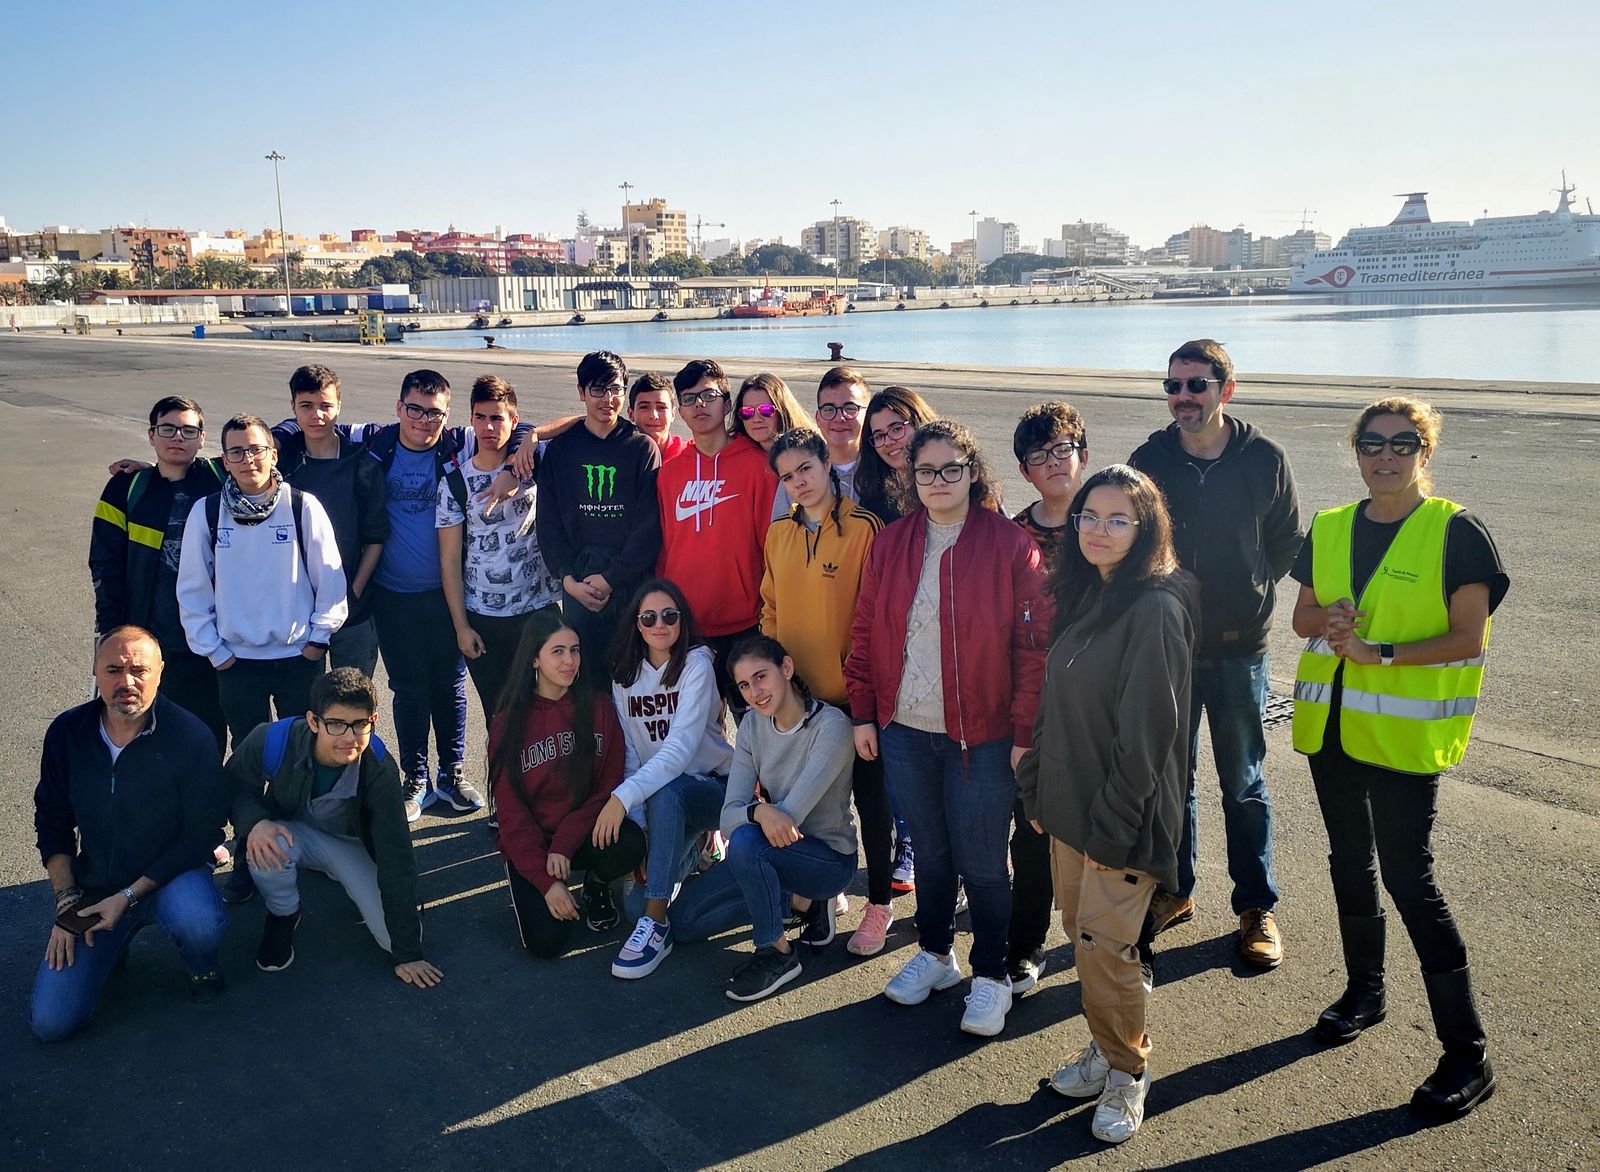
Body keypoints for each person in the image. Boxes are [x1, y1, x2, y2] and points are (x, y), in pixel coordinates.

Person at [1291, 397, 1506, 1119]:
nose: (1385, 455)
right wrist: (1330, 622)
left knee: (1412, 882)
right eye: (1372, 443)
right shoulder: (1327, 526)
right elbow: (1301, 620)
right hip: (1333, 734)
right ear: (1356, 451)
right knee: (1348, 863)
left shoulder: (1456, 532)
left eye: (1402, 443)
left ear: (1426, 451)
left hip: (1404, 741)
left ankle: (1467, 1054)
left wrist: (1379, 651)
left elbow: (1468, 637)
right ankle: (1366, 992)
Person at [846, 420, 1049, 1038]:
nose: (938, 481)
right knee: (932, 855)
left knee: (984, 861)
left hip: (983, 736)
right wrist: (864, 711)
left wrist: (1023, 733)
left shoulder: (1012, 545)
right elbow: (864, 630)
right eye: (926, 470)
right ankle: (936, 954)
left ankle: (990, 974)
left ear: (972, 472)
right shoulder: (891, 543)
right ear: (910, 477)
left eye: (951, 469)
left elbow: (1033, 648)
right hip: (904, 728)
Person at [1016, 465, 1198, 1145]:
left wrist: (1113, 829)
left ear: (1146, 527)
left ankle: (1127, 1070)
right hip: (1066, 808)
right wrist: (1035, 787)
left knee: (1109, 949)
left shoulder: (1154, 607)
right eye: (1090, 515)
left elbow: (1150, 734)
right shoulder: (1088, 593)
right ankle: (1106, 1044)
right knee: (1082, 938)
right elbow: (1053, 702)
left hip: (1117, 822)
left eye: (1119, 519)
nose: (1099, 529)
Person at [1129, 339, 1300, 971]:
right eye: (1172, 386)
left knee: (1244, 782)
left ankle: (1256, 907)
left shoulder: (1264, 458)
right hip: (1171, 648)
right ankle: (1176, 889)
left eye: (1196, 385)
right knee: (1174, 781)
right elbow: (1132, 536)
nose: (1182, 398)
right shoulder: (1151, 458)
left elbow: (1285, 541)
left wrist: (1251, 592)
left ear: (1226, 388)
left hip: (1238, 650)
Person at [30, 627, 231, 1041]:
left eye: (139, 669)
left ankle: (201, 963)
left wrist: (128, 897)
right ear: (95, 672)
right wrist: (68, 904)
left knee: (199, 923)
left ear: (161, 671)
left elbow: (203, 833)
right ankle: (112, 939)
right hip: (97, 884)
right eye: (114, 669)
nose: (127, 682)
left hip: (173, 875)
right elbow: (52, 820)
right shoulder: (67, 733)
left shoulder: (190, 737)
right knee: (50, 1024)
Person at [760, 428, 895, 957]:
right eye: (787, 477)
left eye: (806, 470)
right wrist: (776, 684)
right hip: (799, 704)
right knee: (811, 808)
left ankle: (879, 903)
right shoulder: (779, 534)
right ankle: (820, 897)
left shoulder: (866, 529)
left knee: (872, 803)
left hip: (853, 698)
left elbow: (879, 618)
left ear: (826, 466)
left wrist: (863, 693)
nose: (799, 483)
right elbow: (769, 607)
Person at [228, 668, 442, 987]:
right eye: (336, 724)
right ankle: (284, 913)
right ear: (314, 721)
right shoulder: (272, 739)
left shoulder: (380, 770)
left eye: (359, 724)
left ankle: (336, 872)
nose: (348, 737)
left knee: (395, 939)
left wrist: (408, 953)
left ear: (374, 721)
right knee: (264, 849)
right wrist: (255, 823)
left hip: (347, 842)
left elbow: (397, 857)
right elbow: (233, 787)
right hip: (290, 831)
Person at [176, 413, 348, 750]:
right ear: (225, 461)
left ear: (274, 454)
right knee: (248, 752)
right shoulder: (207, 512)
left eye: (256, 449)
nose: (248, 459)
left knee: (302, 750)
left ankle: (296, 805)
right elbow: (192, 589)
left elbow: (330, 580)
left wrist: (317, 642)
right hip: (235, 662)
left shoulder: (302, 506)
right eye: (236, 452)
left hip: (299, 658)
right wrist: (215, 652)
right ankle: (251, 805)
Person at [489, 609, 645, 959]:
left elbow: (607, 788)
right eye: (557, 651)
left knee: (632, 841)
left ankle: (596, 885)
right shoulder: (507, 723)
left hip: (580, 835)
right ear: (534, 659)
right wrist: (547, 883)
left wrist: (564, 843)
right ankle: (531, 882)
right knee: (547, 945)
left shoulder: (600, 707)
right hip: (534, 843)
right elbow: (511, 815)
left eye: (574, 650)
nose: (569, 661)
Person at [439, 374, 560, 814]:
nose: (490, 427)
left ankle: (547, 801)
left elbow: (577, 422)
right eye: (481, 418)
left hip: (540, 613)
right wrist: (461, 627)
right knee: (501, 718)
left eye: (499, 418)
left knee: (546, 714)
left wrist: (532, 439)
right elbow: (450, 560)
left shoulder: (534, 462)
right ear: (470, 420)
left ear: (514, 420)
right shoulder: (454, 481)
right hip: (485, 619)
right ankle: (507, 806)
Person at [716, 635, 859, 1002]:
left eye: (761, 677)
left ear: (787, 669)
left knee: (747, 845)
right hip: (771, 851)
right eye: (744, 685)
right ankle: (803, 904)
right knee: (687, 922)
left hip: (826, 860)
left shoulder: (832, 727)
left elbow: (788, 820)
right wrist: (758, 810)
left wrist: (756, 817)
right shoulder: (751, 726)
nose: (754, 692)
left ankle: (777, 953)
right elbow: (728, 816)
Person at [602, 580, 733, 979]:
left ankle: (657, 925)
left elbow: (679, 750)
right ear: (637, 625)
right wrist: (642, 834)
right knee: (631, 906)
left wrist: (621, 800)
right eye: (649, 618)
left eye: (670, 616)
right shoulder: (624, 677)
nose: (660, 625)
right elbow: (633, 757)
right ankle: (701, 847)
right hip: (663, 800)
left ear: (682, 620)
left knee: (670, 787)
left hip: (716, 790)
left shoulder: (697, 664)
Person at [1005, 401, 1092, 993]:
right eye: (1041, 455)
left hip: (1097, 704)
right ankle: (1025, 945)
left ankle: (1118, 947)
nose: (1055, 462)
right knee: (1031, 829)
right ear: (1025, 470)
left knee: (1105, 834)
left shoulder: (1109, 519)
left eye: (1064, 450)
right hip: (1032, 705)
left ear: (1082, 455)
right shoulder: (1013, 535)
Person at [90, 396, 228, 750]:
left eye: (188, 430)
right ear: (152, 436)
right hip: (149, 638)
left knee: (208, 731)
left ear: (202, 437)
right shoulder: (127, 488)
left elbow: (264, 443)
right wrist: (111, 630)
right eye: (167, 429)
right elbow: (105, 563)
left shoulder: (221, 478)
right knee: (142, 731)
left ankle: (204, 800)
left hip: (210, 640)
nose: (177, 437)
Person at [535, 351, 663, 689]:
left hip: (629, 583)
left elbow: (648, 526)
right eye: (598, 390)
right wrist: (567, 578)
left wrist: (611, 577)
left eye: (616, 389)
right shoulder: (562, 450)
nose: (608, 399)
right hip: (579, 584)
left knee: (635, 682)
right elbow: (548, 524)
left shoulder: (641, 448)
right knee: (586, 686)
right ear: (581, 392)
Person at [656, 358, 777, 711]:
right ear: (680, 410)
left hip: (746, 625)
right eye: (690, 399)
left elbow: (771, 547)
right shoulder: (670, 473)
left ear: (727, 403)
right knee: (699, 735)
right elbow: (665, 548)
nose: (700, 405)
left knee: (756, 728)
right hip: (687, 628)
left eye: (709, 395)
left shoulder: (758, 465)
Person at [274, 364, 387, 680]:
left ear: (339, 406)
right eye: (306, 406)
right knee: (302, 706)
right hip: (293, 611)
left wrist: (352, 594)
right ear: (293, 407)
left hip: (352, 611)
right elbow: (227, 466)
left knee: (351, 703)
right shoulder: (280, 460)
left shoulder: (361, 462)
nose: (317, 416)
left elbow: (375, 538)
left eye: (325, 406)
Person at [731, 373, 815, 520]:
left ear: (783, 410)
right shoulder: (737, 460)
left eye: (766, 410)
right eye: (747, 412)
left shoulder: (811, 455)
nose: (756, 419)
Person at [856, 385, 938, 526]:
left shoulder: (949, 484)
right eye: (879, 436)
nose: (888, 442)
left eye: (897, 429)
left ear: (919, 424)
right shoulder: (874, 503)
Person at [814, 366, 871, 501]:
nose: (839, 418)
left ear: (868, 415)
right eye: (828, 409)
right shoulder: (800, 474)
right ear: (817, 418)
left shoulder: (885, 472)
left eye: (850, 408)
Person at [628, 371, 689, 462]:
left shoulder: (688, 455)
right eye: (644, 407)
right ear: (631, 414)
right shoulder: (623, 456)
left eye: (661, 407)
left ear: (673, 414)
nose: (654, 415)